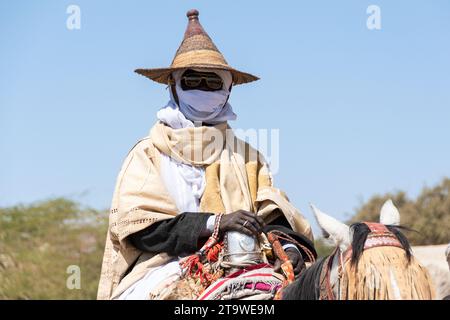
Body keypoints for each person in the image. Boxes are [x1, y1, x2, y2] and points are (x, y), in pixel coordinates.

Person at [97, 9, 316, 300]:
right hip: (162, 267)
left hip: (245, 263)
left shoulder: (248, 156)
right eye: (192, 80)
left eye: (212, 82)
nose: (203, 88)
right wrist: (214, 223)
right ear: (173, 85)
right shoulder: (147, 153)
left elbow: (272, 216)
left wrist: (288, 248)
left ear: (227, 89)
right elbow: (141, 230)